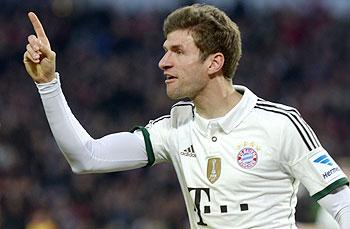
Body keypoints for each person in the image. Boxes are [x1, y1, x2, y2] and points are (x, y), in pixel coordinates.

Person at [23, 4, 350, 229]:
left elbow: (341, 205)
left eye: (177, 52)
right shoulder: (175, 128)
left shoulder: (280, 124)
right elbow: (87, 157)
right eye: (165, 50)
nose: (163, 62)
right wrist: (48, 84)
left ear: (214, 63)